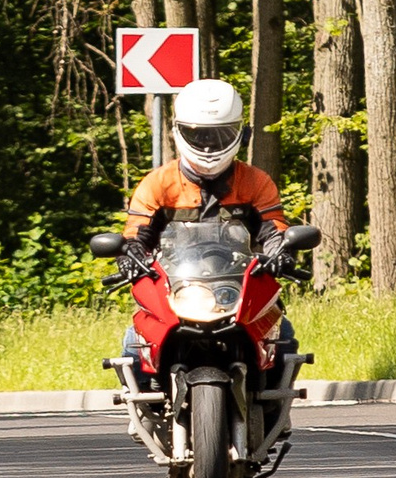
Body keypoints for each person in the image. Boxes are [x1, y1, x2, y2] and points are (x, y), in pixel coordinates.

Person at [117, 78, 302, 365]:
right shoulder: (158, 183)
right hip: (175, 289)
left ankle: (274, 401)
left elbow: (274, 228)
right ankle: (142, 399)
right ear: (179, 132)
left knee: (284, 340)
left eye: (219, 135)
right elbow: (135, 234)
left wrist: (283, 253)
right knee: (134, 344)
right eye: (199, 135)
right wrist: (129, 255)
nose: (208, 145)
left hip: (242, 287)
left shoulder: (256, 182)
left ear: (241, 134)